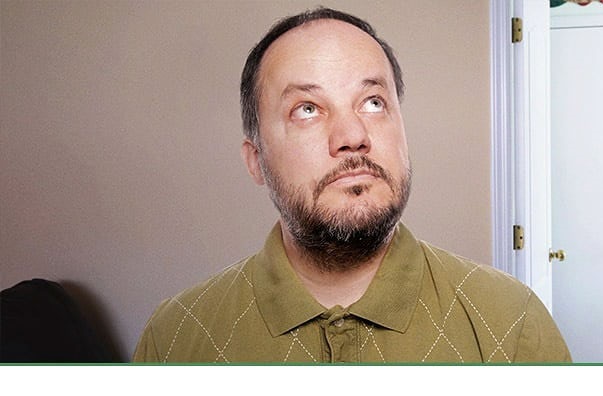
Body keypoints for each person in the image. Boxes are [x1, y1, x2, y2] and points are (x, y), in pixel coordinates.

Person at [134, 7, 571, 364]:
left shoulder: (514, 323)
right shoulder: (174, 340)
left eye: (374, 102)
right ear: (257, 162)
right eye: (306, 109)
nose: (352, 135)